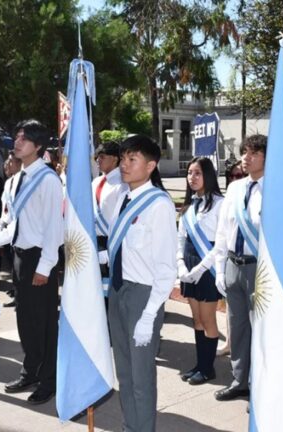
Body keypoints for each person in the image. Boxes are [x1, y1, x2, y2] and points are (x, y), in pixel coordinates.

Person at [0, 120, 63, 405]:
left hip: (40, 259)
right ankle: (30, 370)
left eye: (24, 139)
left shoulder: (49, 180)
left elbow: (54, 228)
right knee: (25, 321)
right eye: (16, 137)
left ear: (38, 146)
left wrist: (44, 268)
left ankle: (49, 380)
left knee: (43, 324)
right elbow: (13, 225)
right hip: (18, 258)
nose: (17, 143)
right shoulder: (14, 180)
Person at [104, 135, 176, 431]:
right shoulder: (123, 198)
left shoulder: (159, 204)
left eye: (132, 159)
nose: (124, 164)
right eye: (123, 159)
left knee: (141, 376)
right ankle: (130, 425)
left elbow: (166, 268)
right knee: (124, 372)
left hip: (143, 297)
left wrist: (149, 316)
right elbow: (121, 249)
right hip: (118, 290)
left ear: (150, 166)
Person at [213, 134, 266, 402]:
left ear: (267, 157)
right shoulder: (234, 189)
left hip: (259, 269)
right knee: (237, 326)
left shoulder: (276, 189)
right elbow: (223, 231)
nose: (246, 158)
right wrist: (220, 268)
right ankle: (239, 380)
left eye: (254, 153)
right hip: (234, 264)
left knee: (260, 329)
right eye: (245, 152)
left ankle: (259, 385)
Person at [177, 157, 224, 385]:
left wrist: (199, 268)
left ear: (208, 175)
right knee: (196, 319)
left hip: (207, 267)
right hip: (188, 264)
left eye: (197, 173)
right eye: (189, 173)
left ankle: (208, 369)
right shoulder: (189, 205)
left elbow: (221, 242)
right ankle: (199, 364)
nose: (192, 178)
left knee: (208, 319)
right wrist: (180, 265)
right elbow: (180, 238)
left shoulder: (219, 203)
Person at [217, 160, 245, 357]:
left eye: (239, 176)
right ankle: (230, 342)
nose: (236, 179)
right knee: (232, 311)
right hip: (232, 261)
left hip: (252, 265)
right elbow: (223, 234)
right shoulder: (230, 196)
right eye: (232, 176)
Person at [92, 141, 124, 300]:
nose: (98, 160)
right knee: (96, 292)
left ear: (115, 159)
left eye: (102, 156)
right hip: (94, 240)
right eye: (97, 157)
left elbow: (121, 220)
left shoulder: (122, 184)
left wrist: (109, 251)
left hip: (111, 242)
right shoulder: (96, 182)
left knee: (109, 294)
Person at [0, 151, 21, 308]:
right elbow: (4, 207)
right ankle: (17, 294)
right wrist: (1, 224)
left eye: (11, 161)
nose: (8, 163)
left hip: (18, 230)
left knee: (19, 266)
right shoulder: (8, 182)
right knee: (12, 264)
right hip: (7, 228)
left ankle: (20, 296)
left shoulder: (24, 182)